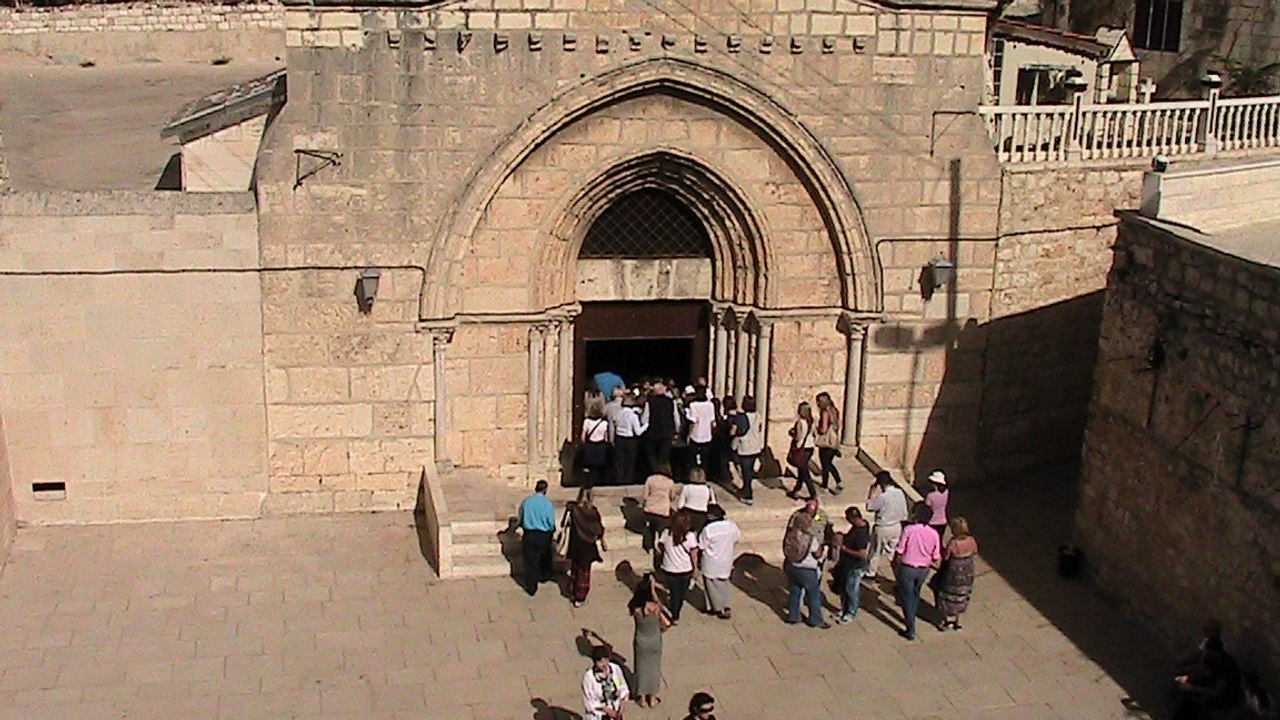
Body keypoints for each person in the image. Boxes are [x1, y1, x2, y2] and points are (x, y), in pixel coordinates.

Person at [893, 503, 941, 640]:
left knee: (906, 596)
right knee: (915, 592)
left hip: (907, 567)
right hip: (923, 569)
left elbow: (900, 549)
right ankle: (912, 614)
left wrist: (896, 561)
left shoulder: (909, 530)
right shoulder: (934, 533)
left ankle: (910, 627)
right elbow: (936, 556)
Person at [782, 498, 830, 629]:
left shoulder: (791, 535)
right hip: (807, 569)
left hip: (791, 566)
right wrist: (825, 550)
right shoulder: (810, 539)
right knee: (814, 594)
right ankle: (816, 620)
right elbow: (818, 554)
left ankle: (793, 616)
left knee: (795, 591)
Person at [629, 573, 671, 709]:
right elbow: (666, 623)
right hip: (654, 640)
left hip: (641, 640)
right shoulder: (655, 608)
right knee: (654, 668)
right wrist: (653, 589)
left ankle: (641, 698)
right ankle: (652, 698)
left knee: (641, 668)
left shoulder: (634, 608)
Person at [1173, 637, 1242, 720]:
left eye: (1209, 653)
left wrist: (1193, 688)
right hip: (1211, 684)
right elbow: (1200, 673)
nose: (1206, 654)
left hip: (1226, 695)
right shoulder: (1208, 658)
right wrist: (1186, 679)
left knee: (1206, 699)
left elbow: (1217, 691)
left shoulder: (1227, 666)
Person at [565, 488, 607, 608]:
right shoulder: (593, 512)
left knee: (575, 567)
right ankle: (579, 596)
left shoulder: (574, 510)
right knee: (584, 572)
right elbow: (598, 529)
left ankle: (572, 589)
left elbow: (565, 523)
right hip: (587, 544)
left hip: (575, 543)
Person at [697, 504, 742, 619]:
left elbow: (701, 546)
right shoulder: (731, 525)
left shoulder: (708, 529)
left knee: (711, 586)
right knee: (724, 584)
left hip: (711, 561)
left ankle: (717, 608)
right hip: (726, 559)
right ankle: (724, 605)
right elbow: (736, 538)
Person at [934, 516, 978, 631]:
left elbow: (947, 556)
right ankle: (958, 622)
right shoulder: (971, 540)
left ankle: (947, 621)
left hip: (953, 572)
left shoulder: (953, 542)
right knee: (962, 595)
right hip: (967, 570)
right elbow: (975, 552)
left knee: (947, 595)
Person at [865, 470, 909, 581]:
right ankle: (899, 576)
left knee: (875, 552)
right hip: (897, 526)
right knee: (893, 553)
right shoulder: (900, 493)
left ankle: (871, 573)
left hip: (883, 527)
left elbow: (869, 507)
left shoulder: (883, 497)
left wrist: (871, 492)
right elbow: (904, 511)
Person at [656, 509, 699, 623]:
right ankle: (676, 612)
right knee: (681, 593)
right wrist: (695, 569)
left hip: (669, 568)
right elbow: (693, 554)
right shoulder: (690, 536)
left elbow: (660, 547)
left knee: (674, 591)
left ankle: (675, 611)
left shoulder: (666, 533)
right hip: (685, 569)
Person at [517, 480, 556, 596]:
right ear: (545, 490)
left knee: (530, 560)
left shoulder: (526, 502)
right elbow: (551, 521)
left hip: (529, 534)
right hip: (544, 535)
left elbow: (521, 518)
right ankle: (544, 576)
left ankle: (531, 586)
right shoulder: (548, 504)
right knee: (545, 556)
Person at [833, 506, 870, 624]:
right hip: (847, 565)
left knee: (851, 590)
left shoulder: (861, 534)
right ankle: (844, 609)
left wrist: (844, 548)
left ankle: (851, 612)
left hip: (855, 566)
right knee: (844, 589)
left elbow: (862, 554)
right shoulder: (859, 526)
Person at [582, 644, 630, 720]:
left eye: (606, 660)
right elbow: (590, 700)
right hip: (598, 716)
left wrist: (621, 708)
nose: (604, 664)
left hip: (615, 712)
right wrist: (606, 710)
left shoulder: (615, 669)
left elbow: (622, 686)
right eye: (600, 662)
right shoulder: (589, 677)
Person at [642, 380, 680, 474]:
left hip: (652, 433)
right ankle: (663, 474)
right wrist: (676, 432)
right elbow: (676, 419)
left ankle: (654, 472)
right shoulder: (671, 402)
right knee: (664, 457)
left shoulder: (649, 402)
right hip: (667, 433)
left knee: (651, 456)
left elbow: (644, 419)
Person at [611, 394, 648, 486]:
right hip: (630, 440)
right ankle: (628, 483)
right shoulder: (633, 416)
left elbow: (613, 426)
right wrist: (646, 425)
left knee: (619, 464)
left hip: (619, 438)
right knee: (630, 464)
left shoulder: (618, 413)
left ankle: (619, 483)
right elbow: (638, 432)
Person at [641, 463, 677, 553]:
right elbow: (672, 497)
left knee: (650, 529)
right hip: (663, 512)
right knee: (662, 531)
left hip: (649, 510)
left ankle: (648, 547)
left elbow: (645, 496)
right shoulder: (670, 482)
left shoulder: (650, 479)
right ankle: (660, 549)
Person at [733, 395, 763, 504]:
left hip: (745, 447)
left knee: (745, 472)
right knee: (749, 471)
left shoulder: (742, 417)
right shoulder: (758, 416)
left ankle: (748, 495)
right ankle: (746, 489)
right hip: (755, 446)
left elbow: (738, 431)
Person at [786, 402, 818, 500]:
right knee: (801, 471)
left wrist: (792, 433)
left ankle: (813, 495)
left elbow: (798, 437)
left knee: (805, 473)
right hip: (809, 448)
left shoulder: (800, 422)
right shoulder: (812, 421)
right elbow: (815, 434)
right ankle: (796, 490)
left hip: (801, 449)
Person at [814, 392, 843, 494]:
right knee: (828, 463)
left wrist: (816, 428)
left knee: (826, 464)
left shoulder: (825, 412)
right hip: (833, 442)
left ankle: (837, 482)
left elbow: (823, 429)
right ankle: (825, 483)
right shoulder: (834, 411)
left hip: (826, 442)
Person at [676, 467, 717, 533]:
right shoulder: (708, 489)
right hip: (702, 516)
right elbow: (713, 503)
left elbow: (680, 505)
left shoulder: (686, 487)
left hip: (688, 515)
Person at [685, 385, 716, 469]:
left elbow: (692, 422)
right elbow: (712, 421)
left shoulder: (693, 405)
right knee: (704, 458)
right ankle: (703, 474)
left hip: (696, 434)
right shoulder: (710, 405)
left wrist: (688, 434)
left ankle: (694, 474)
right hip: (707, 435)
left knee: (693, 458)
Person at [581, 403, 610, 487]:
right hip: (600, 445)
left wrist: (584, 445)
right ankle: (599, 482)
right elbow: (606, 437)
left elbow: (583, 436)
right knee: (599, 466)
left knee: (590, 466)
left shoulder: (587, 421)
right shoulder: (604, 423)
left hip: (590, 445)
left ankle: (589, 482)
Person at [924, 469, 949, 540]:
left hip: (932, 521)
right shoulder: (946, 492)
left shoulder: (930, 495)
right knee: (940, 539)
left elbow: (927, 506)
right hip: (943, 520)